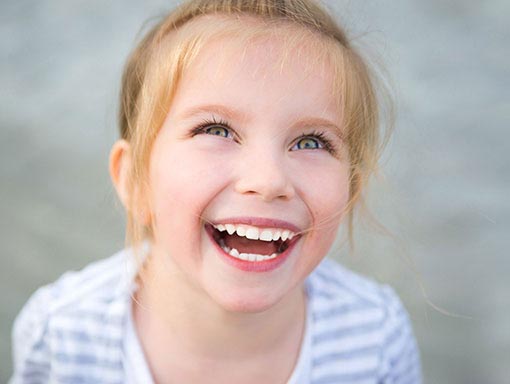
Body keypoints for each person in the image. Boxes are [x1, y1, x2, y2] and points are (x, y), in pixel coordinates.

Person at [10, 0, 421, 383]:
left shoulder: (376, 337)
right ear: (135, 180)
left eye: (312, 141)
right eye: (216, 130)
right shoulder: (62, 335)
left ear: (350, 189)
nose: (268, 180)